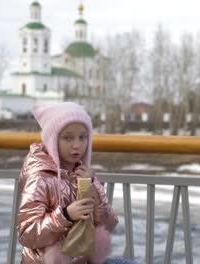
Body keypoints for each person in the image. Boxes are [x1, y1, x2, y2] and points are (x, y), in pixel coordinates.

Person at [17, 102, 132, 264]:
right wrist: (66, 215)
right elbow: (27, 235)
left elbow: (109, 224)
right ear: (53, 140)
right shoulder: (40, 177)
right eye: (67, 138)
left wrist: (94, 188)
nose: (77, 145)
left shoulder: (83, 173)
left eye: (83, 137)